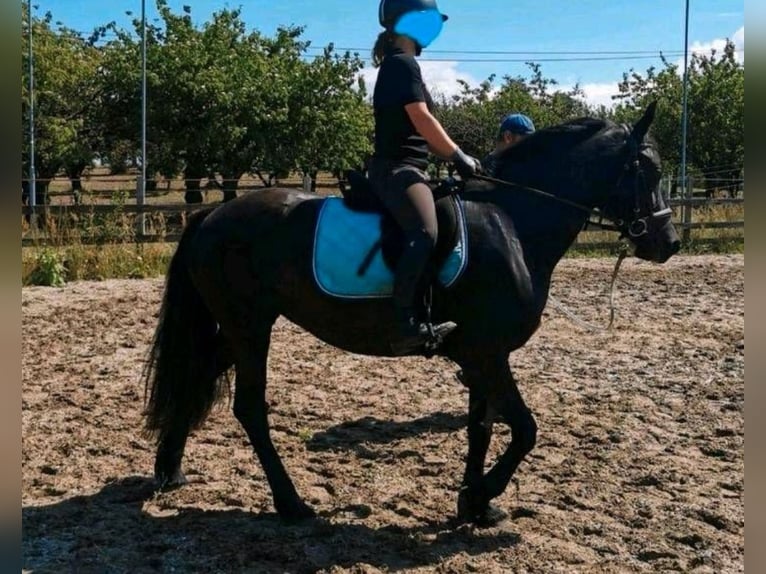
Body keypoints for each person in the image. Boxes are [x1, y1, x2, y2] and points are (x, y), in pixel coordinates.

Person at [369, 0, 480, 355]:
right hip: (397, 169)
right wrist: (457, 155)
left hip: (410, 167)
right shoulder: (401, 65)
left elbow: (421, 131)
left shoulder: (401, 65)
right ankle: (404, 322)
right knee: (424, 232)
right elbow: (421, 119)